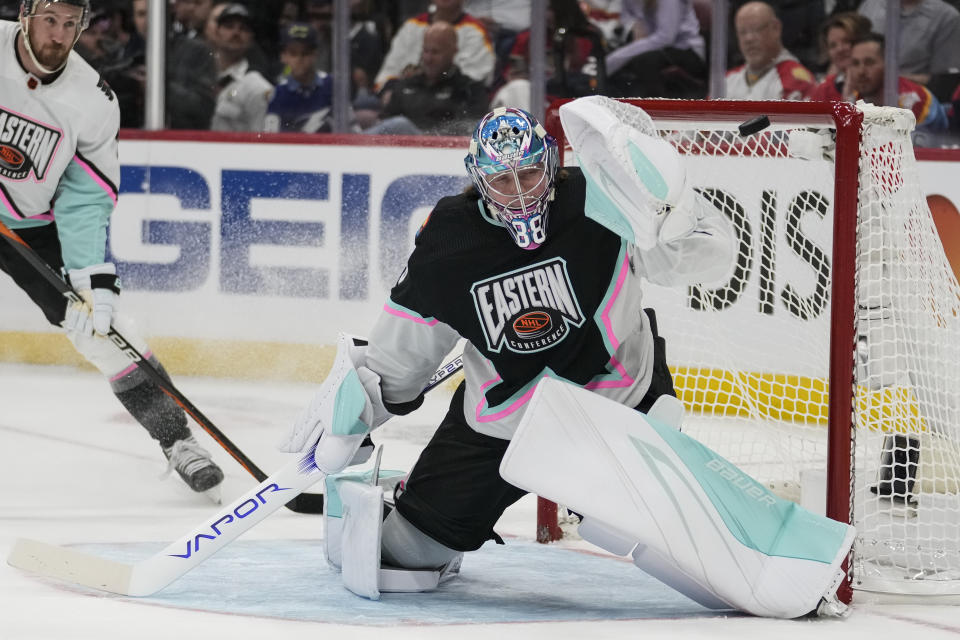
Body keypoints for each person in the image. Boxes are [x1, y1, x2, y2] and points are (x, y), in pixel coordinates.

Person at [0, 0, 223, 495]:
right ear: (25, 15)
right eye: (48, 21)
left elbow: (84, 199)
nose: (57, 36)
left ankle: (179, 440)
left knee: (105, 331)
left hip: (32, 225)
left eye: (70, 24)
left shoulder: (92, 101)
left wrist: (90, 280)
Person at [366, 21, 488, 135]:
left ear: (453, 52)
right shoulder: (406, 85)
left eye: (435, 52)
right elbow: (385, 122)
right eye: (425, 51)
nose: (428, 59)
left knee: (399, 124)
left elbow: (471, 129)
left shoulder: (469, 89)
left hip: (443, 150)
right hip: (401, 151)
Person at [846, 33, 949, 145]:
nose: (861, 71)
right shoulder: (853, 99)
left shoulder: (917, 101)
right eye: (855, 63)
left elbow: (918, 152)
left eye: (869, 62)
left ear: (889, 65)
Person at [373, 0, 494, 92]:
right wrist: (391, 93)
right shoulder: (411, 26)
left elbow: (473, 81)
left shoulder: (476, 31)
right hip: (404, 100)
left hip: (449, 106)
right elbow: (387, 73)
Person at [604, 0, 708, 99]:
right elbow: (627, 20)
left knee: (644, 61)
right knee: (611, 59)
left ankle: (655, 108)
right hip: (653, 46)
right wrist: (632, 28)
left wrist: (616, 58)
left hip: (686, 50)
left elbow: (665, 38)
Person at [725, 1, 817, 100]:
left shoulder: (797, 82)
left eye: (756, 29)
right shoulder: (727, 80)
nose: (748, 39)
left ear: (776, 28)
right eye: (742, 32)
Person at [856, 0, 960, 86]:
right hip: (863, 98)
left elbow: (944, 81)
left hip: (915, 101)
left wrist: (886, 79)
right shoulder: (869, 6)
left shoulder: (947, 18)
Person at [210, 3, 272, 131]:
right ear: (216, 32)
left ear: (251, 38)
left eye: (244, 28)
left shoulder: (257, 87)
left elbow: (262, 137)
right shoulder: (200, 71)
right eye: (229, 26)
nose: (236, 33)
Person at [264, 22, 333, 133]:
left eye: (305, 53)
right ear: (283, 56)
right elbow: (271, 135)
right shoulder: (277, 93)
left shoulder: (331, 84)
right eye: (293, 53)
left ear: (315, 55)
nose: (299, 59)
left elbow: (351, 127)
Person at [810, 11, 872, 102]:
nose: (840, 49)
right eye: (833, 45)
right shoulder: (824, 89)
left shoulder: (883, 84)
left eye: (846, 41)